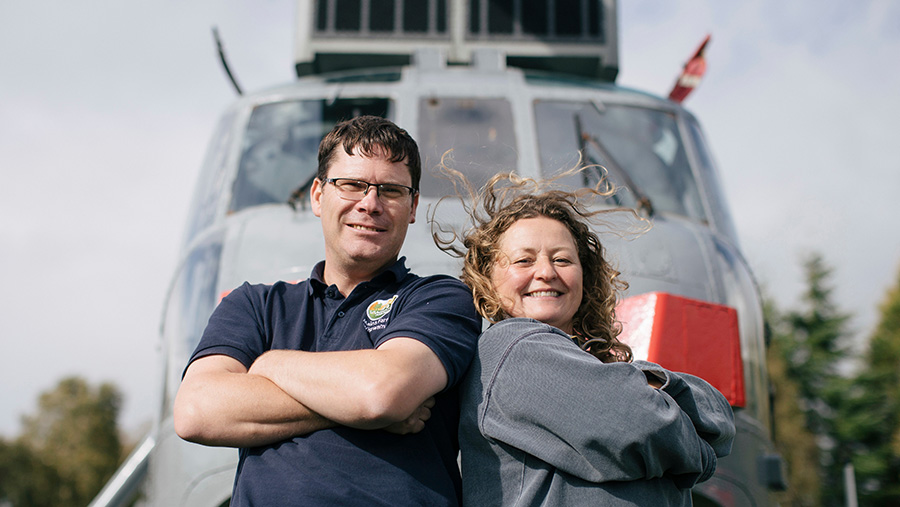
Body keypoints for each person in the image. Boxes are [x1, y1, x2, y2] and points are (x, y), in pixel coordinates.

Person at [173, 116, 481, 506]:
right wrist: (357, 408)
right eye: (352, 185)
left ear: (413, 205)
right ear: (318, 196)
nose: (370, 204)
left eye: (390, 190)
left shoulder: (440, 299)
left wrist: (267, 366)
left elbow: (380, 393)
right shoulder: (255, 305)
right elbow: (196, 411)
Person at [439, 172, 735, 506]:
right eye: (524, 260)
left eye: (562, 259)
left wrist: (647, 384)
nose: (547, 272)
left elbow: (720, 420)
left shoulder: (590, 366)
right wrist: (668, 417)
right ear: (488, 279)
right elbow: (642, 427)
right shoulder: (513, 348)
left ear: (584, 274)